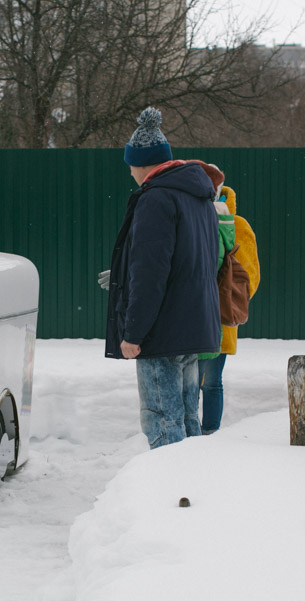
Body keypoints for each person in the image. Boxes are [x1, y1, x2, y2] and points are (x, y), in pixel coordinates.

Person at [103, 107, 221, 449]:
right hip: (193, 325)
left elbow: (150, 273)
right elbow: (198, 262)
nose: (130, 173)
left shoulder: (156, 198)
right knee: (187, 416)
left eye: (131, 166)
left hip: (163, 331)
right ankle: (193, 487)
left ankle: (168, 492)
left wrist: (133, 332)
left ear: (142, 165)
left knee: (162, 418)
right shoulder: (199, 197)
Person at [199, 179, 261, 434]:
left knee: (211, 382)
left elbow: (250, 276)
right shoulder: (190, 219)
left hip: (220, 316)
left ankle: (210, 433)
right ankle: (187, 434)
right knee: (188, 381)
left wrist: (229, 297)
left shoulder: (238, 225)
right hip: (190, 315)